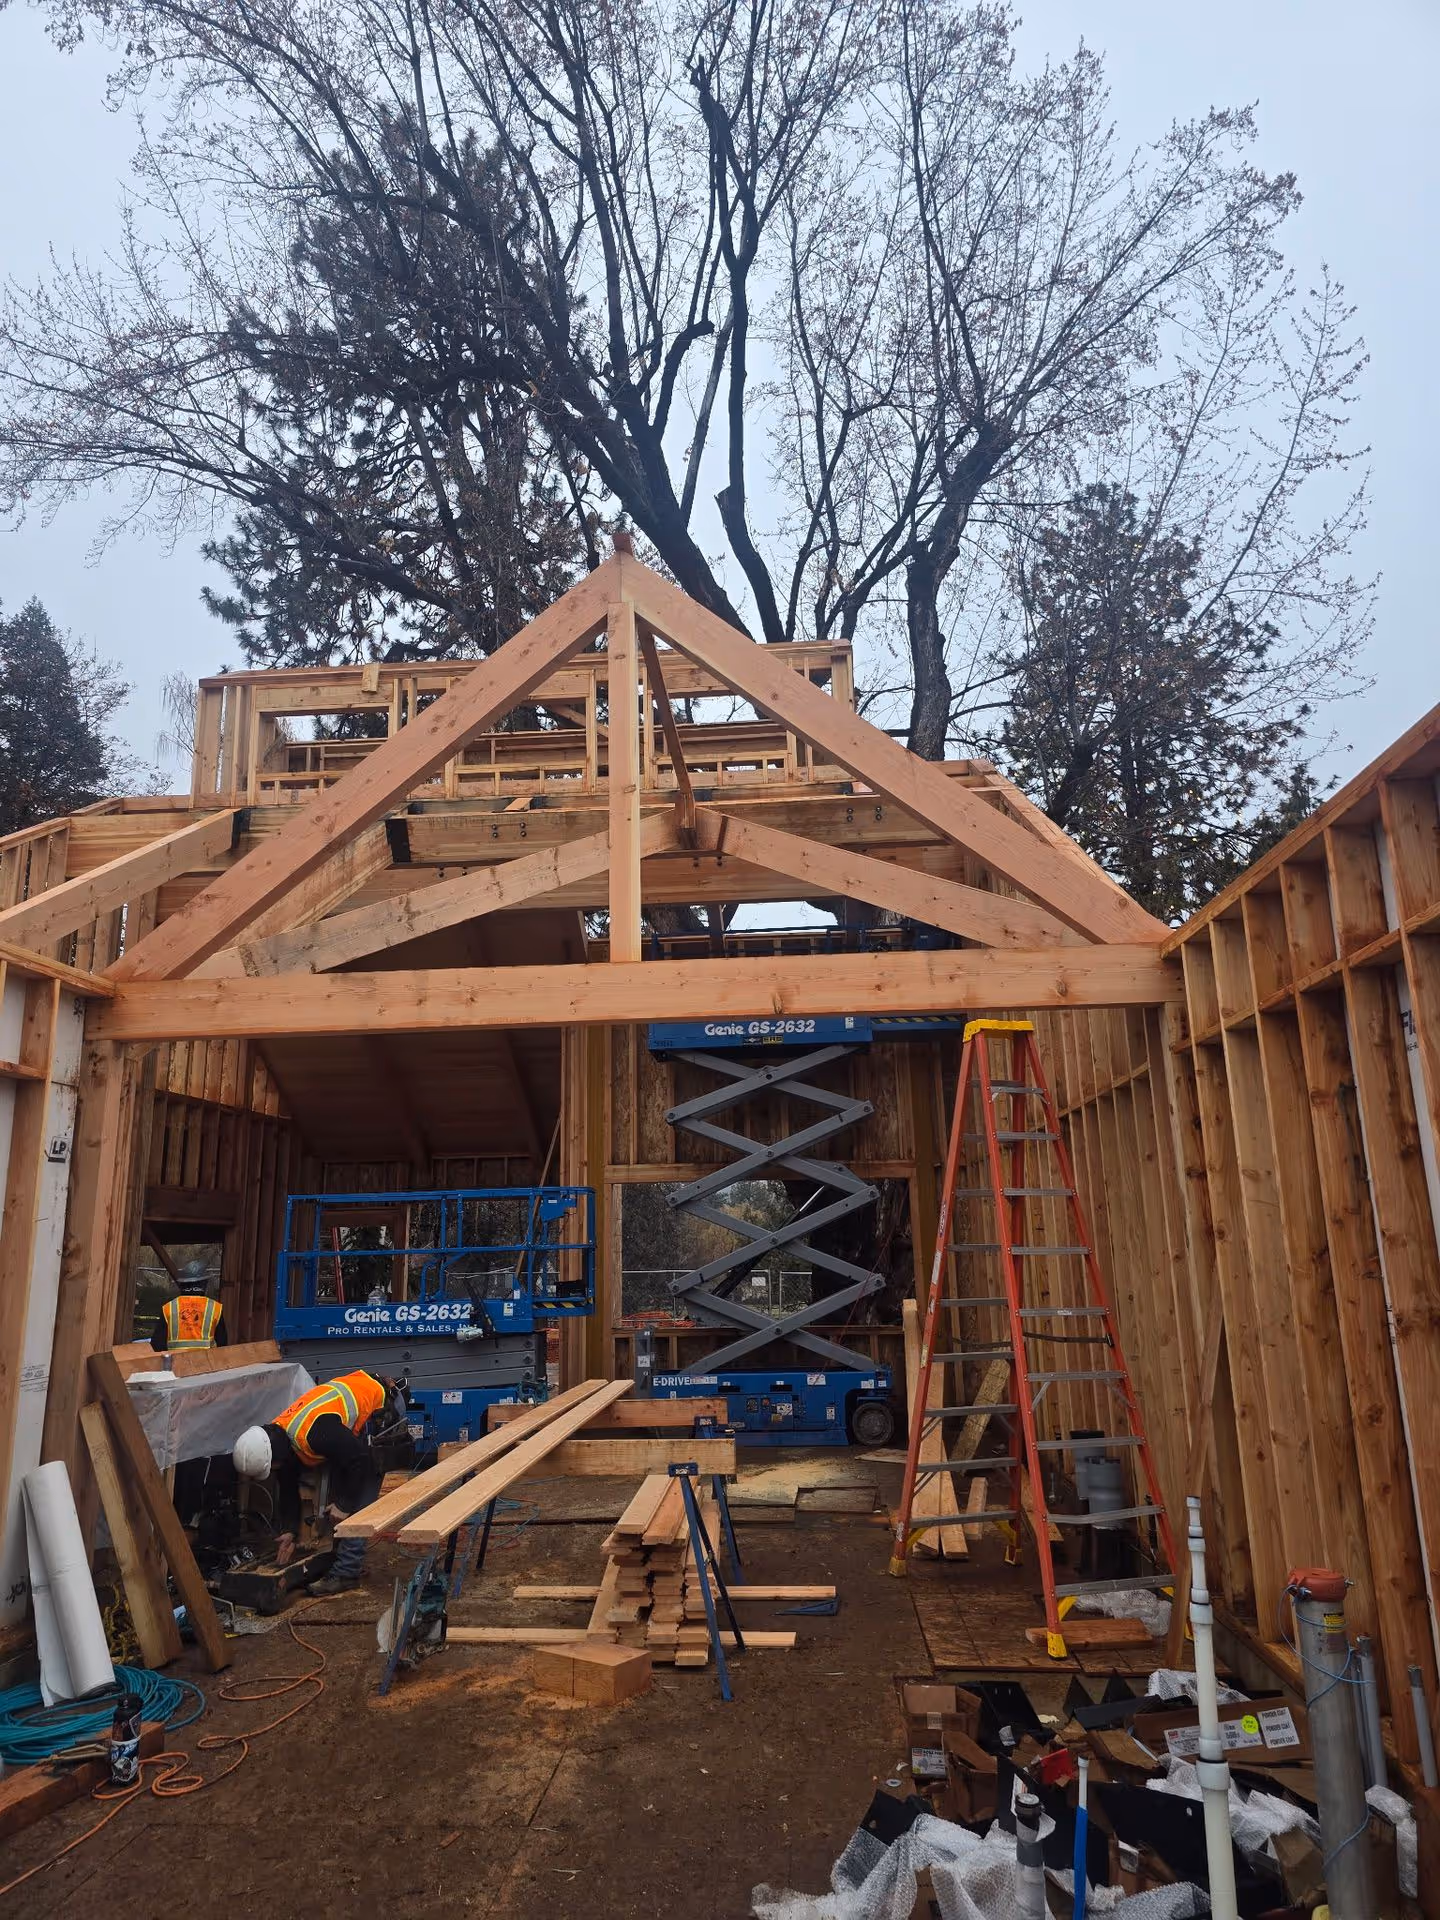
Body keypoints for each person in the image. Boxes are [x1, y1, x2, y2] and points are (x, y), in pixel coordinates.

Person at [232, 1369, 388, 1595]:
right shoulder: (280, 1438)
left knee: (359, 1499)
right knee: (343, 1485)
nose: (275, 1471)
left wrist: (344, 1505)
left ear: (275, 1456)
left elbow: (359, 1460)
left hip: (380, 1404)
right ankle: (337, 1557)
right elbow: (287, 1486)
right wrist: (290, 1531)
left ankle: (347, 1572)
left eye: (273, 1467)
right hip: (352, 1413)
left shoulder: (315, 1434)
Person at [150, 1263, 227, 1354]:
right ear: (204, 1284)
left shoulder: (169, 1308)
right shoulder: (215, 1308)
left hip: (176, 1364)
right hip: (206, 1364)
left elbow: (157, 1344)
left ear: (182, 1284)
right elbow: (222, 1343)